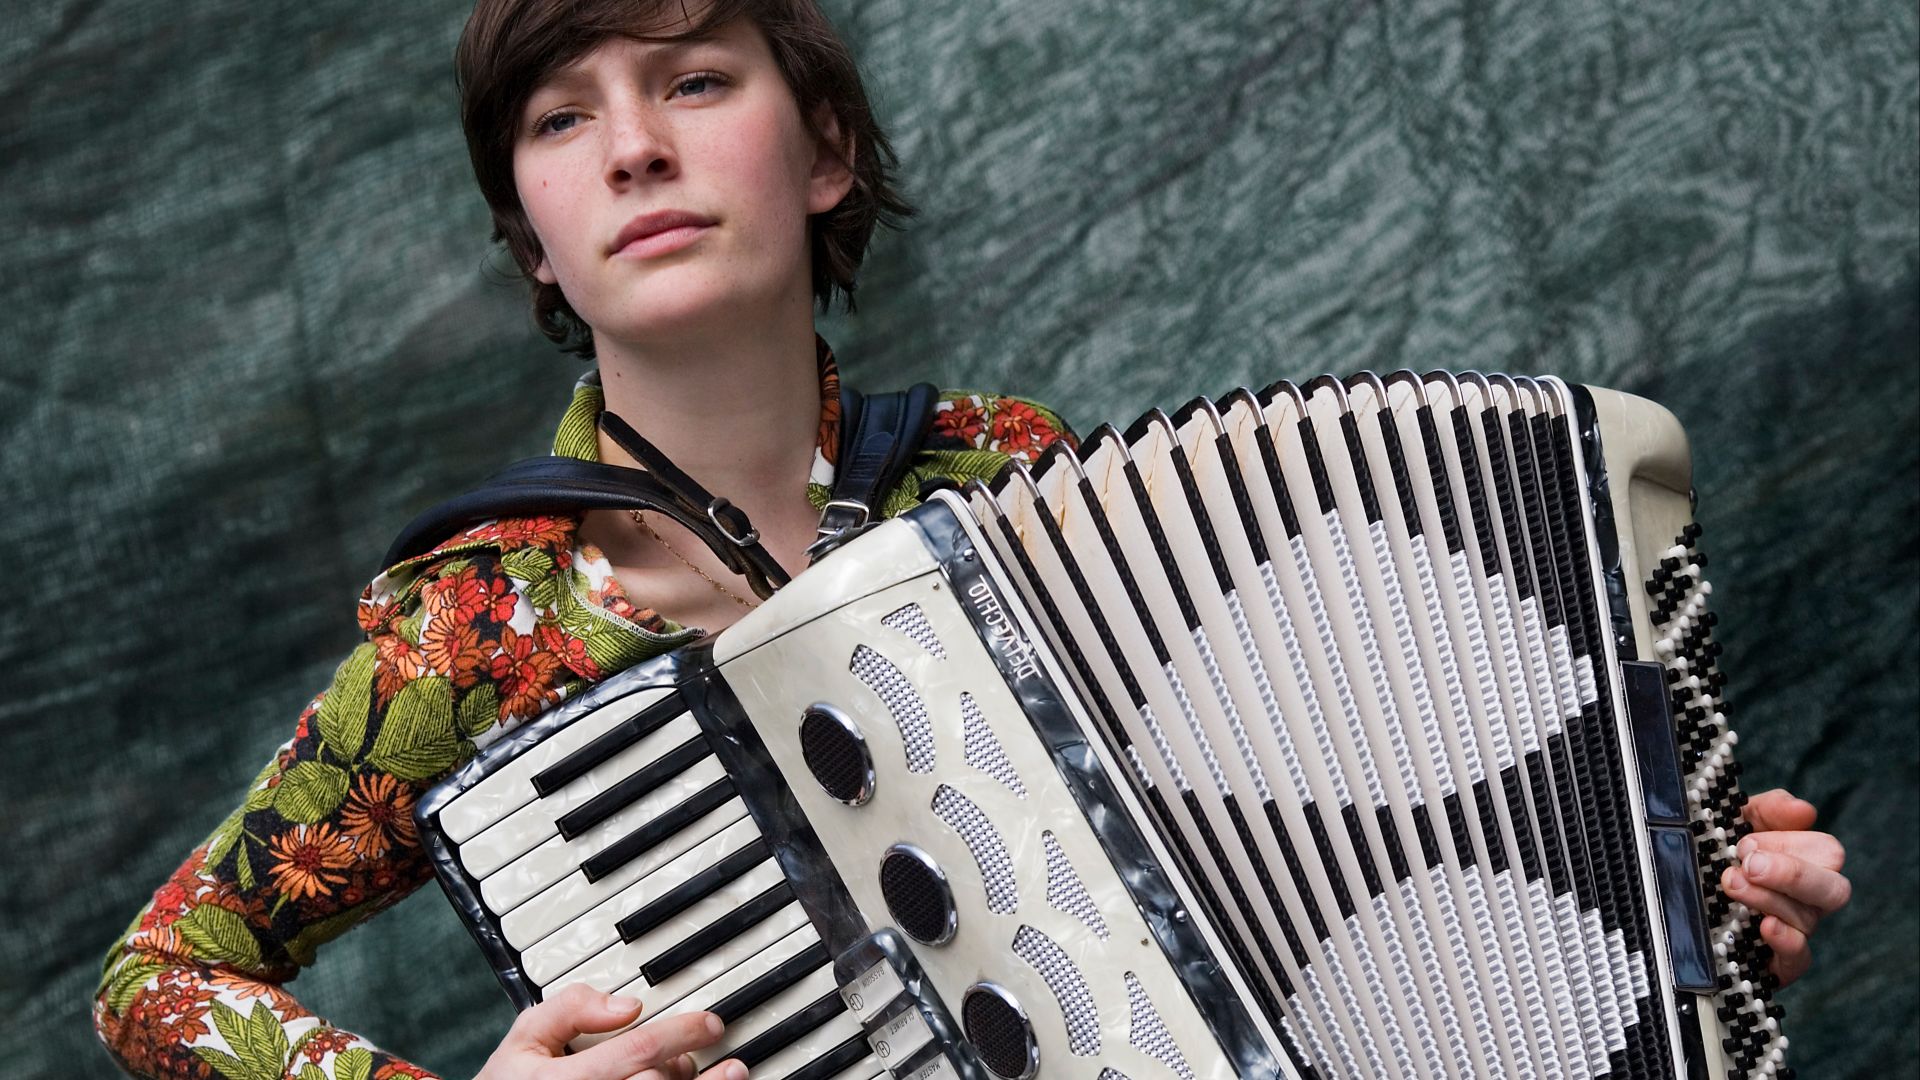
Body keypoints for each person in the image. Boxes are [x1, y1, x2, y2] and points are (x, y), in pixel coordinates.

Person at [92, 1, 1851, 1078]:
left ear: (827, 153)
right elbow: (159, 982)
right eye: (562, 119)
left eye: (695, 79)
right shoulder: (477, 629)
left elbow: (1292, 843)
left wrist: (1662, 902)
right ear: (535, 245)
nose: (631, 148)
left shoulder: (1013, 481)